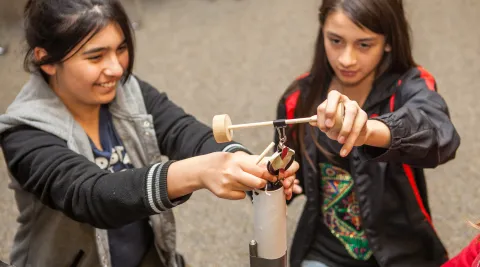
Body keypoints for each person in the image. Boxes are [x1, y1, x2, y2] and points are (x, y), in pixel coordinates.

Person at [0, 1, 299, 267]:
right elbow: (94, 196)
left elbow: (185, 133)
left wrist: (244, 165)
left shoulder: (128, 91)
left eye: (121, 49)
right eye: (95, 57)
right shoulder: (23, 131)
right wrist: (198, 172)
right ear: (46, 60)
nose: (116, 69)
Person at [275, 0, 461, 266]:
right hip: (324, 252)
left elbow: (440, 136)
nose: (346, 59)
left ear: (388, 42)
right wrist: (275, 185)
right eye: (335, 40)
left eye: (364, 44)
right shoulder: (298, 98)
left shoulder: (409, 85)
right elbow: (288, 175)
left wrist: (369, 131)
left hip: (400, 252)